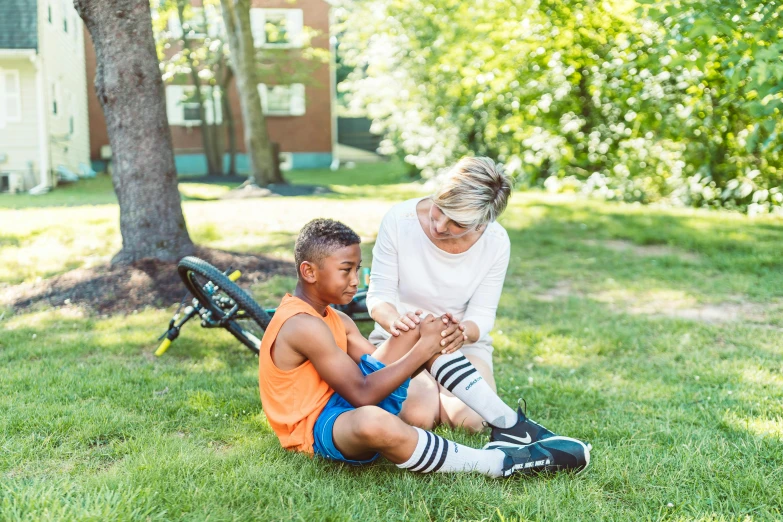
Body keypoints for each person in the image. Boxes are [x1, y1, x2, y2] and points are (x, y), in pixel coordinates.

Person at [258, 218, 590, 477]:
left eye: (358, 269)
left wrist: (420, 337)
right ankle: (499, 463)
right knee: (373, 421)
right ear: (309, 271)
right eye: (346, 270)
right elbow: (362, 393)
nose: (356, 281)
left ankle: (512, 426)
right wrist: (420, 351)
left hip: (342, 401)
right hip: (317, 429)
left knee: (424, 327)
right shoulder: (302, 325)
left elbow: (377, 367)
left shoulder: (335, 319)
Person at [367, 156, 547, 438]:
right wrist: (398, 323)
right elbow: (379, 295)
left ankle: (446, 393)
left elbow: (483, 314)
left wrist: (462, 333)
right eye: (440, 209)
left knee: (472, 422)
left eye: (458, 224)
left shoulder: (496, 242)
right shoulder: (399, 220)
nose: (439, 226)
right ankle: (431, 393)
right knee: (417, 417)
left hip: (460, 345)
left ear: (482, 223)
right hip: (402, 340)